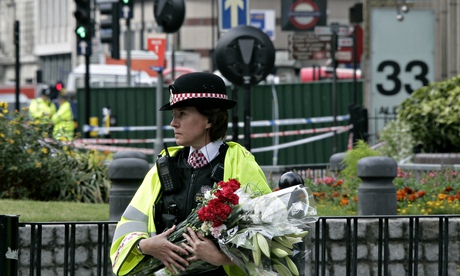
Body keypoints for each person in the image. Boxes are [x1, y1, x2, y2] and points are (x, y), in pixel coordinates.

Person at [110, 72, 273, 276]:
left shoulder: (240, 163)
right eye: (173, 115)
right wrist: (145, 245)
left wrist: (221, 258)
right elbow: (130, 224)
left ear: (209, 120)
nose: (173, 123)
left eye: (182, 114)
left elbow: (270, 234)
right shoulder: (163, 165)